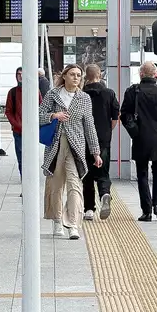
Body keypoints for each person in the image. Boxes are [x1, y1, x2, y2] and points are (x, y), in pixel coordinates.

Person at [39, 63, 101, 240]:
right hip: (55, 146)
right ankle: (57, 221)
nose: (76, 78)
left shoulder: (84, 98)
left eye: (79, 75)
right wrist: (53, 116)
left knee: (75, 185)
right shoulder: (53, 94)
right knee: (55, 185)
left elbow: (89, 126)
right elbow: (38, 115)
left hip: (76, 148)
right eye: (72, 74)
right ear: (64, 76)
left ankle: (73, 224)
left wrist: (95, 153)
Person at [120, 61, 157, 222]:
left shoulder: (132, 91)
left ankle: (146, 211)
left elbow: (124, 114)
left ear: (141, 74)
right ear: (155, 74)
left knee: (142, 173)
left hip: (140, 138)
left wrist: (134, 131)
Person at [82, 64, 119, 221]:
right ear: (100, 75)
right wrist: (107, 131)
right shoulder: (109, 93)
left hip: (83, 138)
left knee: (87, 174)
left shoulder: (81, 94)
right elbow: (115, 117)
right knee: (102, 171)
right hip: (103, 139)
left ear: (86, 76)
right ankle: (104, 193)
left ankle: (89, 209)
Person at [5, 67, 42, 190]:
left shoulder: (34, 91)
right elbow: (8, 111)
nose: (20, 76)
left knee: (31, 159)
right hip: (18, 131)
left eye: (22, 74)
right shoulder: (13, 92)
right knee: (21, 159)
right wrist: (16, 124)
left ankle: (30, 185)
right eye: (18, 74)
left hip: (31, 132)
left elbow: (41, 108)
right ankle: (25, 185)